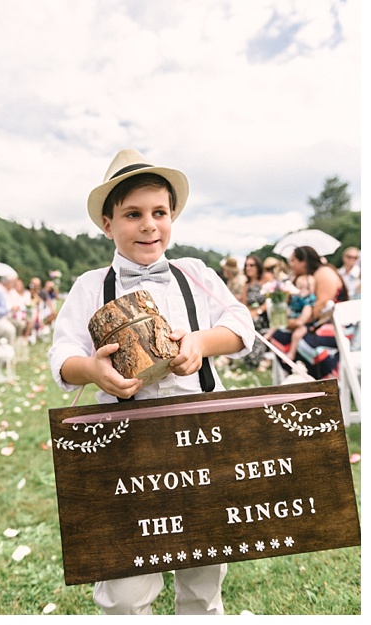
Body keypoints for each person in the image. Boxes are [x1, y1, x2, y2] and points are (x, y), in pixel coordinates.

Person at [50, 150, 250, 615]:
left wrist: (200, 342)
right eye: (133, 214)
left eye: (159, 213)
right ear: (107, 223)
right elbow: (62, 356)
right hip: (123, 443)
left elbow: (242, 324)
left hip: (197, 433)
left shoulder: (194, 274)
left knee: (203, 569)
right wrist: (91, 370)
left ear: (172, 216)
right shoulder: (89, 286)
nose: (148, 226)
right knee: (124, 582)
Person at [269, 245, 345, 379]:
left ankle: (327, 378)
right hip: (316, 324)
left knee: (305, 344)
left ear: (303, 262)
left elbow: (319, 307)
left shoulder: (324, 273)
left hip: (337, 326)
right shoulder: (302, 278)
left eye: (292, 260)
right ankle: (301, 379)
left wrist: (296, 323)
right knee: (278, 337)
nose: (289, 264)